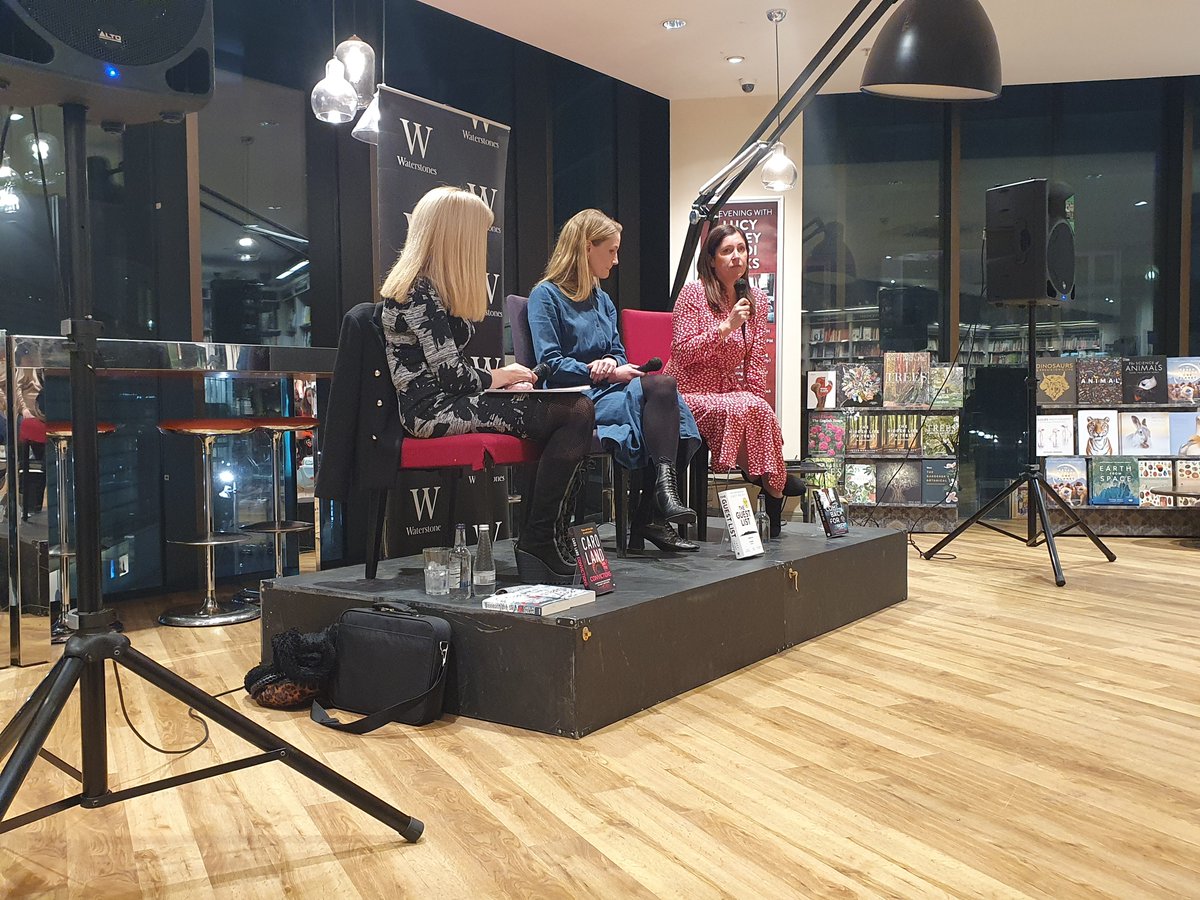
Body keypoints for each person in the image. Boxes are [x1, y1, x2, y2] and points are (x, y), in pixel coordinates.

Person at [378, 186, 595, 584]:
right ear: (455, 235)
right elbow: (452, 377)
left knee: (571, 411)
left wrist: (500, 385)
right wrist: (502, 377)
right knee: (576, 411)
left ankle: (543, 536)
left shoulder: (430, 290)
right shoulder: (417, 292)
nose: (482, 246)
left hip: (449, 403)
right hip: (431, 412)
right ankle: (540, 538)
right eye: (477, 235)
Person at [528, 209, 701, 553]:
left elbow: (619, 353)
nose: (617, 260)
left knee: (664, 389)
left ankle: (657, 503)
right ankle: (652, 510)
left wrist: (612, 362)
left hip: (613, 389)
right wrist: (599, 369)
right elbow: (550, 363)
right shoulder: (545, 296)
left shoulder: (602, 300)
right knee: (665, 395)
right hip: (573, 400)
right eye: (611, 250)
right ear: (587, 247)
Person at [667, 223, 804, 538]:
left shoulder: (755, 297)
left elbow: (756, 358)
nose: (736, 256)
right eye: (727, 251)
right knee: (742, 405)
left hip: (726, 391)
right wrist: (726, 327)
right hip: (687, 390)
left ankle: (767, 481)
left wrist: (758, 401)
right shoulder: (694, 293)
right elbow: (683, 351)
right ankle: (770, 479)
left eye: (741, 249)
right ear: (712, 259)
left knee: (754, 405)